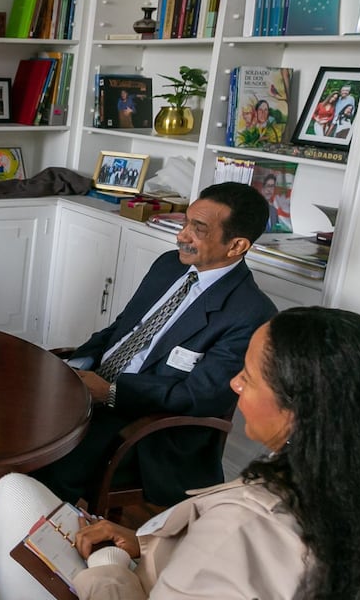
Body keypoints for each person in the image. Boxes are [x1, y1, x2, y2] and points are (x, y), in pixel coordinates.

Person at [0, 307, 360, 600]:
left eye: (249, 378)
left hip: (114, 585)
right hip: (152, 563)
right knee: (2, 503)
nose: (234, 384)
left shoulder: (245, 525)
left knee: (6, 496)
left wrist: (108, 563)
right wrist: (140, 542)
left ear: (298, 409)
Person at [31, 182, 277, 508]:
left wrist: (110, 392)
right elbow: (122, 330)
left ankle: (34, 539)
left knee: (46, 461)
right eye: (185, 222)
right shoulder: (168, 265)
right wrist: (77, 366)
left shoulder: (250, 313)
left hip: (147, 429)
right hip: (92, 392)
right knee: (14, 419)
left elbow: (198, 396)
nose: (181, 235)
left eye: (198, 229)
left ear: (236, 246)